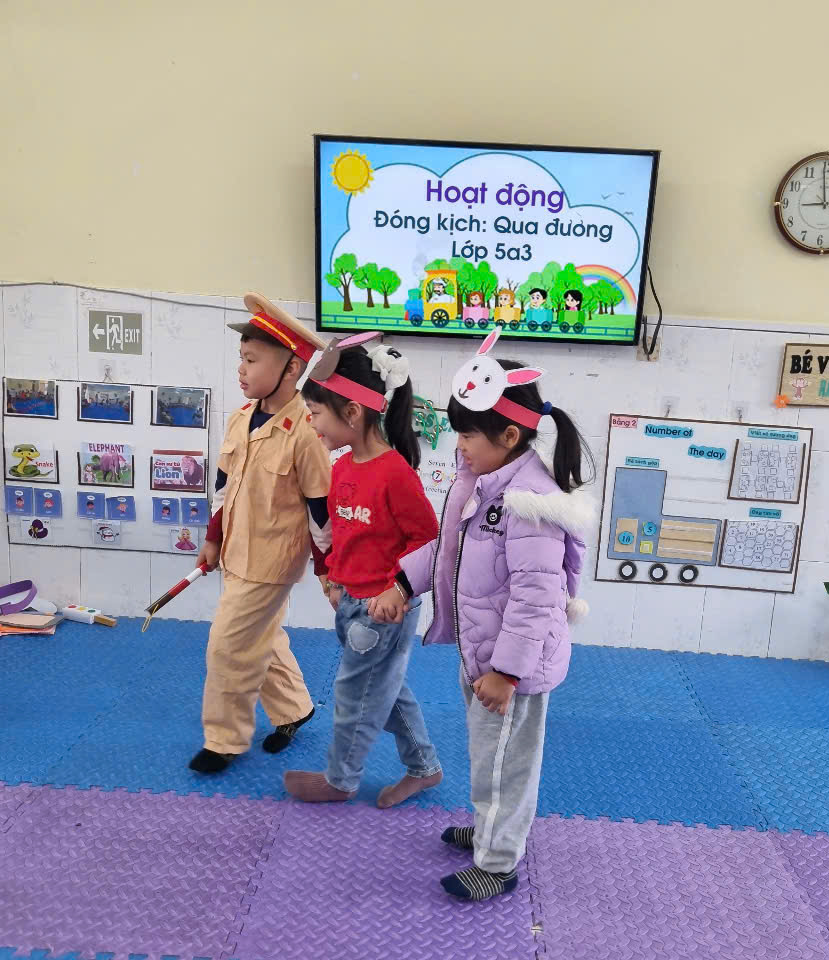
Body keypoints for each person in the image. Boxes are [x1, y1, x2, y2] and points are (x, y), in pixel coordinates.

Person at [372, 326, 592, 901]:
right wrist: (403, 581)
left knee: (505, 764)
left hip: (510, 666)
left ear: (509, 435)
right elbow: (448, 549)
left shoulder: (529, 504)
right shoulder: (480, 483)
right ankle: (491, 828)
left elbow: (535, 599)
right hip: (483, 652)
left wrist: (507, 672)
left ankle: (497, 863)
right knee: (487, 754)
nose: (459, 445)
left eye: (468, 434)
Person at [283, 332, 443, 809]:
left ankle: (340, 779)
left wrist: (398, 590)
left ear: (352, 413)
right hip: (351, 603)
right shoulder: (343, 467)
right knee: (385, 691)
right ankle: (425, 767)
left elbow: (428, 541)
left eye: (316, 413)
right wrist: (334, 575)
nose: (311, 423)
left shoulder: (395, 474)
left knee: (354, 696)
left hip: (382, 611)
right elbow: (343, 533)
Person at [187, 292, 332, 775]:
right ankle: (295, 708)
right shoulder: (241, 418)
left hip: (273, 560)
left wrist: (329, 571)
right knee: (260, 634)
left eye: (252, 360)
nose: (241, 369)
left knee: (228, 645)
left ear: (292, 369)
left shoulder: (309, 431)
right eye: (241, 358)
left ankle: (224, 740)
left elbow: (320, 508)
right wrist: (213, 538)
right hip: (235, 550)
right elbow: (223, 486)